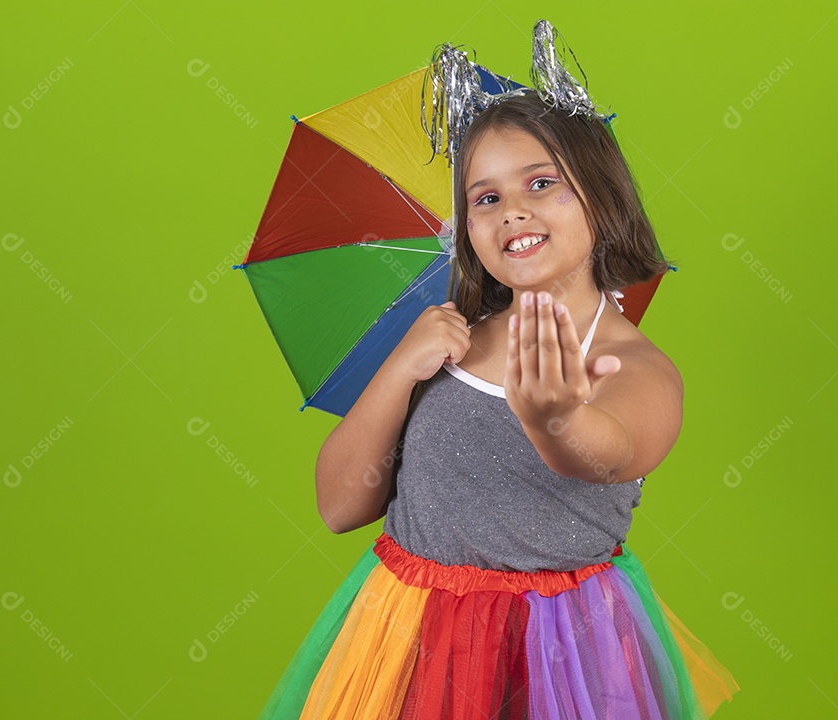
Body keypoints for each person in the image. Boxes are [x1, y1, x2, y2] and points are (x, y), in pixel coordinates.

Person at [258, 32, 740, 720]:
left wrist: (559, 418)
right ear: (465, 231)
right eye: (484, 198)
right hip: (407, 644)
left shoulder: (634, 368)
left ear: (603, 203)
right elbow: (340, 506)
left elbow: (610, 455)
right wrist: (399, 369)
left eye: (541, 183)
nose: (511, 209)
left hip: (556, 656)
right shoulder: (443, 342)